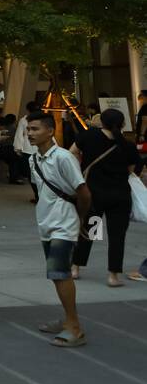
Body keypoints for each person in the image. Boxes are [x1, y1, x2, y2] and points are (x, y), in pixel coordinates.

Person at [26, 112, 92, 347]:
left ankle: (74, 326)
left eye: (35, 129)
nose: (30, 133)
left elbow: (83, 192)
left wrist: (80, 219)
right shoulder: (33, 160)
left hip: (65, 224)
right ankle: (67, 319)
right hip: (46, 222)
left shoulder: (64, 157)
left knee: (59, 273)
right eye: (29, 129)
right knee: (57, 275)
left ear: (50, 131)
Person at [70, 107, 139, 287]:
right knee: (117, 236)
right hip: (120, 197)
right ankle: (113, 276)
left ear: (101, 121)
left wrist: (81, 169)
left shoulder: (88, 136)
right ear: (123, 124)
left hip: (95, 195)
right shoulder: (128, 145)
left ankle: (75, 268)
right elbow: (131, 171)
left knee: (90, 232)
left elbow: (72, 152)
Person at [15, 101, 40, 201]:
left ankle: (37, 195)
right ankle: (43, 196)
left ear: (28, 110)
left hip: (27, 148)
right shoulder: (43, 119)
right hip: (41, 148)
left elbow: (19, 135)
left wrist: (18, 148)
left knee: (31, 174)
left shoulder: (24, 120)